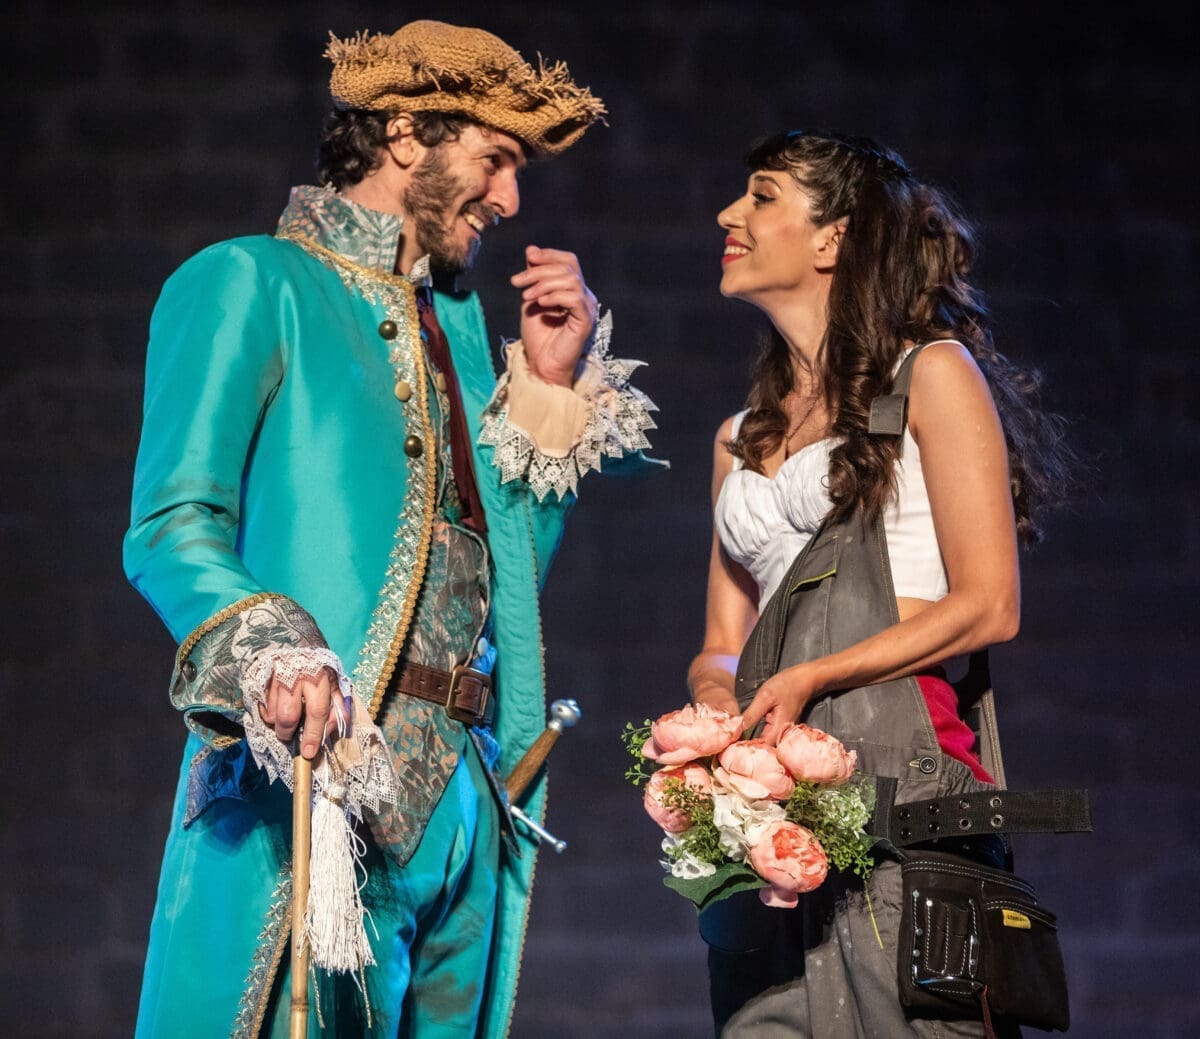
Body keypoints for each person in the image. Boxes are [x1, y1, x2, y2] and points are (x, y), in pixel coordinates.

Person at [124, 20, 659, 1039]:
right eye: (495, 159)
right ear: (407, 132)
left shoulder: (458, 329)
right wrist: (277, 649)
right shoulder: (252, 281)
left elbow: (506, 581)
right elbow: (172, 524)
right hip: (316, 781)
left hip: (462, 805)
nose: (509, 198)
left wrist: (547, 394)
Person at [687, 130, 1070, 1036]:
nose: (730, 214)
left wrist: (814, 675)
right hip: (770, 828)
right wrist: (715, 716)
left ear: (833, 236)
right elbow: (722, 642)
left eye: (763, 195)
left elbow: (990, 604)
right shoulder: (737, 438)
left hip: (902, 789)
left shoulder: (930, 375)